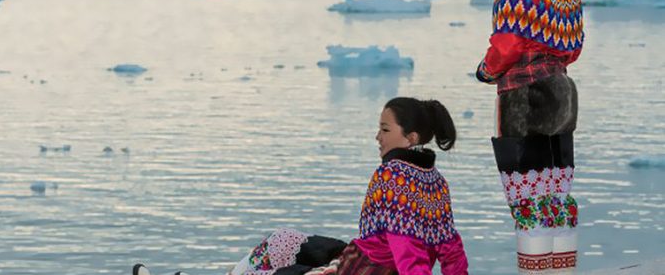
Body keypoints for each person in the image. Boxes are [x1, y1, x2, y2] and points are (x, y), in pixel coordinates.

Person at [134, 97, 469, 275]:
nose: (377, 137)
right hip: (357, 257)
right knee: (282, 239)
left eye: (384, 129)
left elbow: (406, 246)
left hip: (360, 270)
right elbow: (449, 246)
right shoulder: (434, 181)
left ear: (409, 138)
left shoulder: (393, 175)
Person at [475, 0, 584, 274]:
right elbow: (573, 48)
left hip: (524, 96)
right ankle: (561, 270)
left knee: (526, 196)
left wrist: (486, 71)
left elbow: (505, 46)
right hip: (562, 92)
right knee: (555, 192)